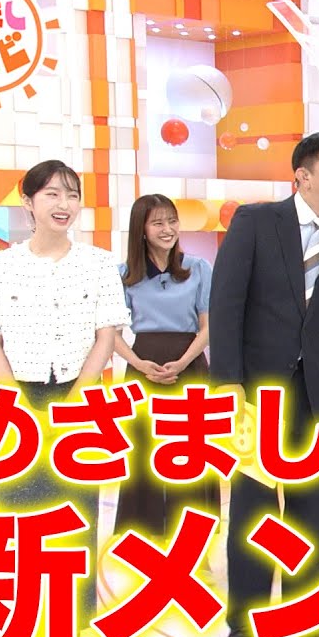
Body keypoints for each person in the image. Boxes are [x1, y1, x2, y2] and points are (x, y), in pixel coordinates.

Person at [209, 131, 319, 637]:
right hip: (257, 392)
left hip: (316, 391)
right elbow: (226, 304)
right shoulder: (257, 222)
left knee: (311, 507)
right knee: (254, 505)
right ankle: (244, 621)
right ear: (303, 176)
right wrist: (228, 384)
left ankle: (306, 615)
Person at [0, 159, 131, 637]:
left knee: (76, 522)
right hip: (19, 403)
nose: (64, 205)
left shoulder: (99, 264)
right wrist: (16, 404)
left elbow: (107, 336)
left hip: (80, 404)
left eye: (72, 194)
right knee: (22, 522)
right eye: (53, 194)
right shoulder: (0, 266)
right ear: (29, 202)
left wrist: (76, 399)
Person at [112, 194, 218, 544]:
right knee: (144, 452)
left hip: (190, 364)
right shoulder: (123, 275)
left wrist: (185, 361)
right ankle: (140, 536)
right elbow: (110, 333)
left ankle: (193, 536)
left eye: (172, 221)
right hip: (143, 365)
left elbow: (208, 326)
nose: (167, 229)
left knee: (191, 450)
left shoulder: (199, 267)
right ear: (141, 229)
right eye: (157, 222)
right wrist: (138, 363)